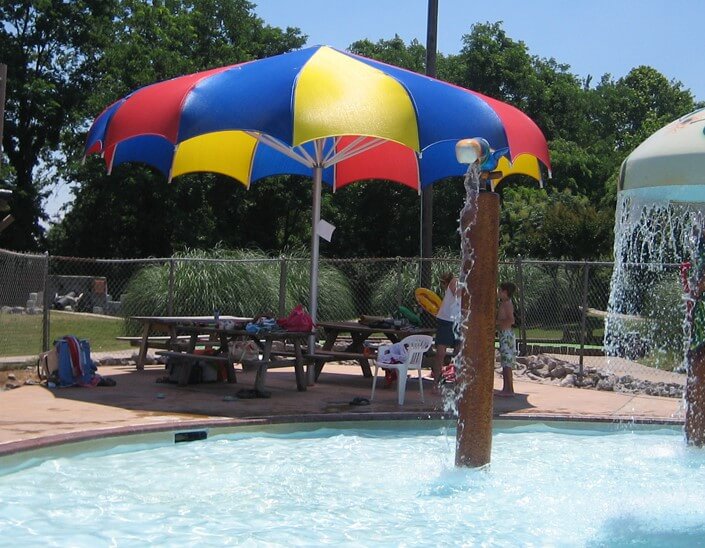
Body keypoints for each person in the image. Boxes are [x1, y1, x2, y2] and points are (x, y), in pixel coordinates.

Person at [433, 272, 461, 386]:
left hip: (458, 321)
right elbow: (457, 293)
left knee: (459, 352)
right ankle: (437, 382)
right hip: (446, 320)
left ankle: (458, 382)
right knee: (441, 353)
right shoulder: (455, 281)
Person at [496, 282, 517, 396]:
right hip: (503, 334)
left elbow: (511, 320)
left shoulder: (507, 304)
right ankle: (506, 388)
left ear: (505, 292)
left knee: (507, 363)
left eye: (499, 291)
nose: (498, 293)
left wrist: (496, 322)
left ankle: (510, 389)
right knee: (505, 363)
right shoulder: (503, 303)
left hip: (506, 334)